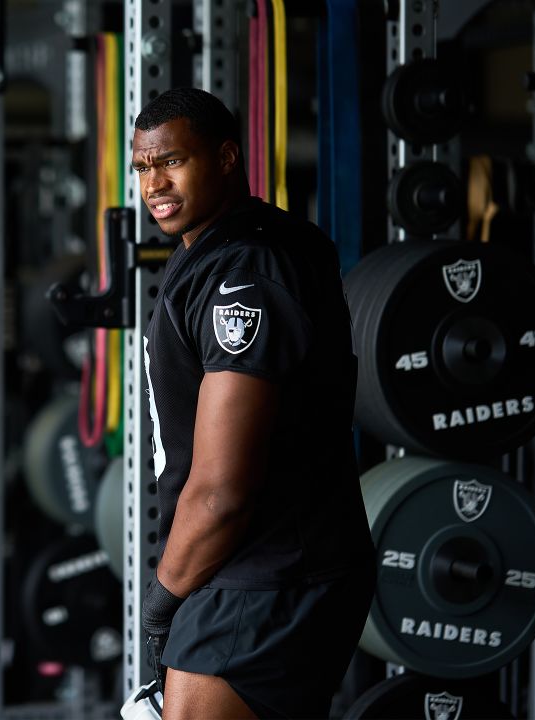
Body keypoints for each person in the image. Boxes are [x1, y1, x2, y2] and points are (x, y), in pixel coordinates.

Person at [131, 87, 376, 719]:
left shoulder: (248, 272)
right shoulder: (220, 252)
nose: (154, 182)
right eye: (143, 166)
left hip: (263, 580)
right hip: (262, 573)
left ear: (227, 157)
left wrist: (164, 597)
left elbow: (221, 493)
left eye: (173, 161)